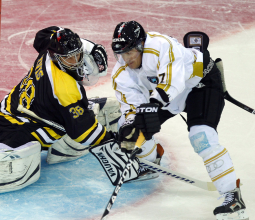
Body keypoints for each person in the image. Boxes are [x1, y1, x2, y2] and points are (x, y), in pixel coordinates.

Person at [0, 26, 120, 199]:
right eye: (69, 58)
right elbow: (84, 133)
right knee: (15, 161)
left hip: (11, 107)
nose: (76, 62)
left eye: (78, 55)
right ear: (55, 56)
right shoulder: (64, 87)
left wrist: (84, 46)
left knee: (72, 114)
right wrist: (112, 139)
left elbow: (41, 36)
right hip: (19, 126)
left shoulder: (49, 47)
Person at [91, 21, 248, 219]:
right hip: (163, 96)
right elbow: (131, 108)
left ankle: (232, 198)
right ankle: (150, 161)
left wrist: (153, 107)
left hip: (200, 83)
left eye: (130, 52)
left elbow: (173, 81)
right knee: (129, 128)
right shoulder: (121, 74)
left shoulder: (161, 46)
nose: (126, 58)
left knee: (202, 137)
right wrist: (132, 124)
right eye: (121, 53)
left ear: (141, 45)